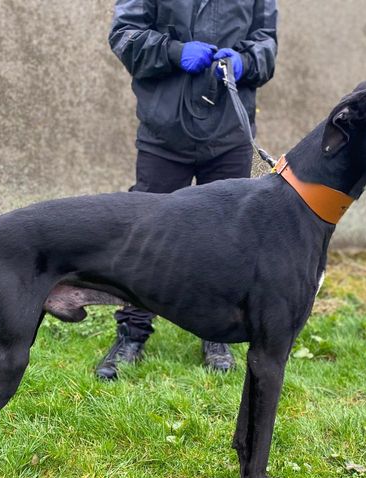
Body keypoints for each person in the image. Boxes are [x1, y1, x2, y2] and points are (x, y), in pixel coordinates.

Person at [99, 0, 278, 380]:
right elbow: (124, 35)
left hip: (230, 132)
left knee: (229, 239)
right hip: (164, 133)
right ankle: (131, 333)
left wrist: (247, 61)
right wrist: (174, 52)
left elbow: (267, 45)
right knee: (146, 235)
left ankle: (217, 334)